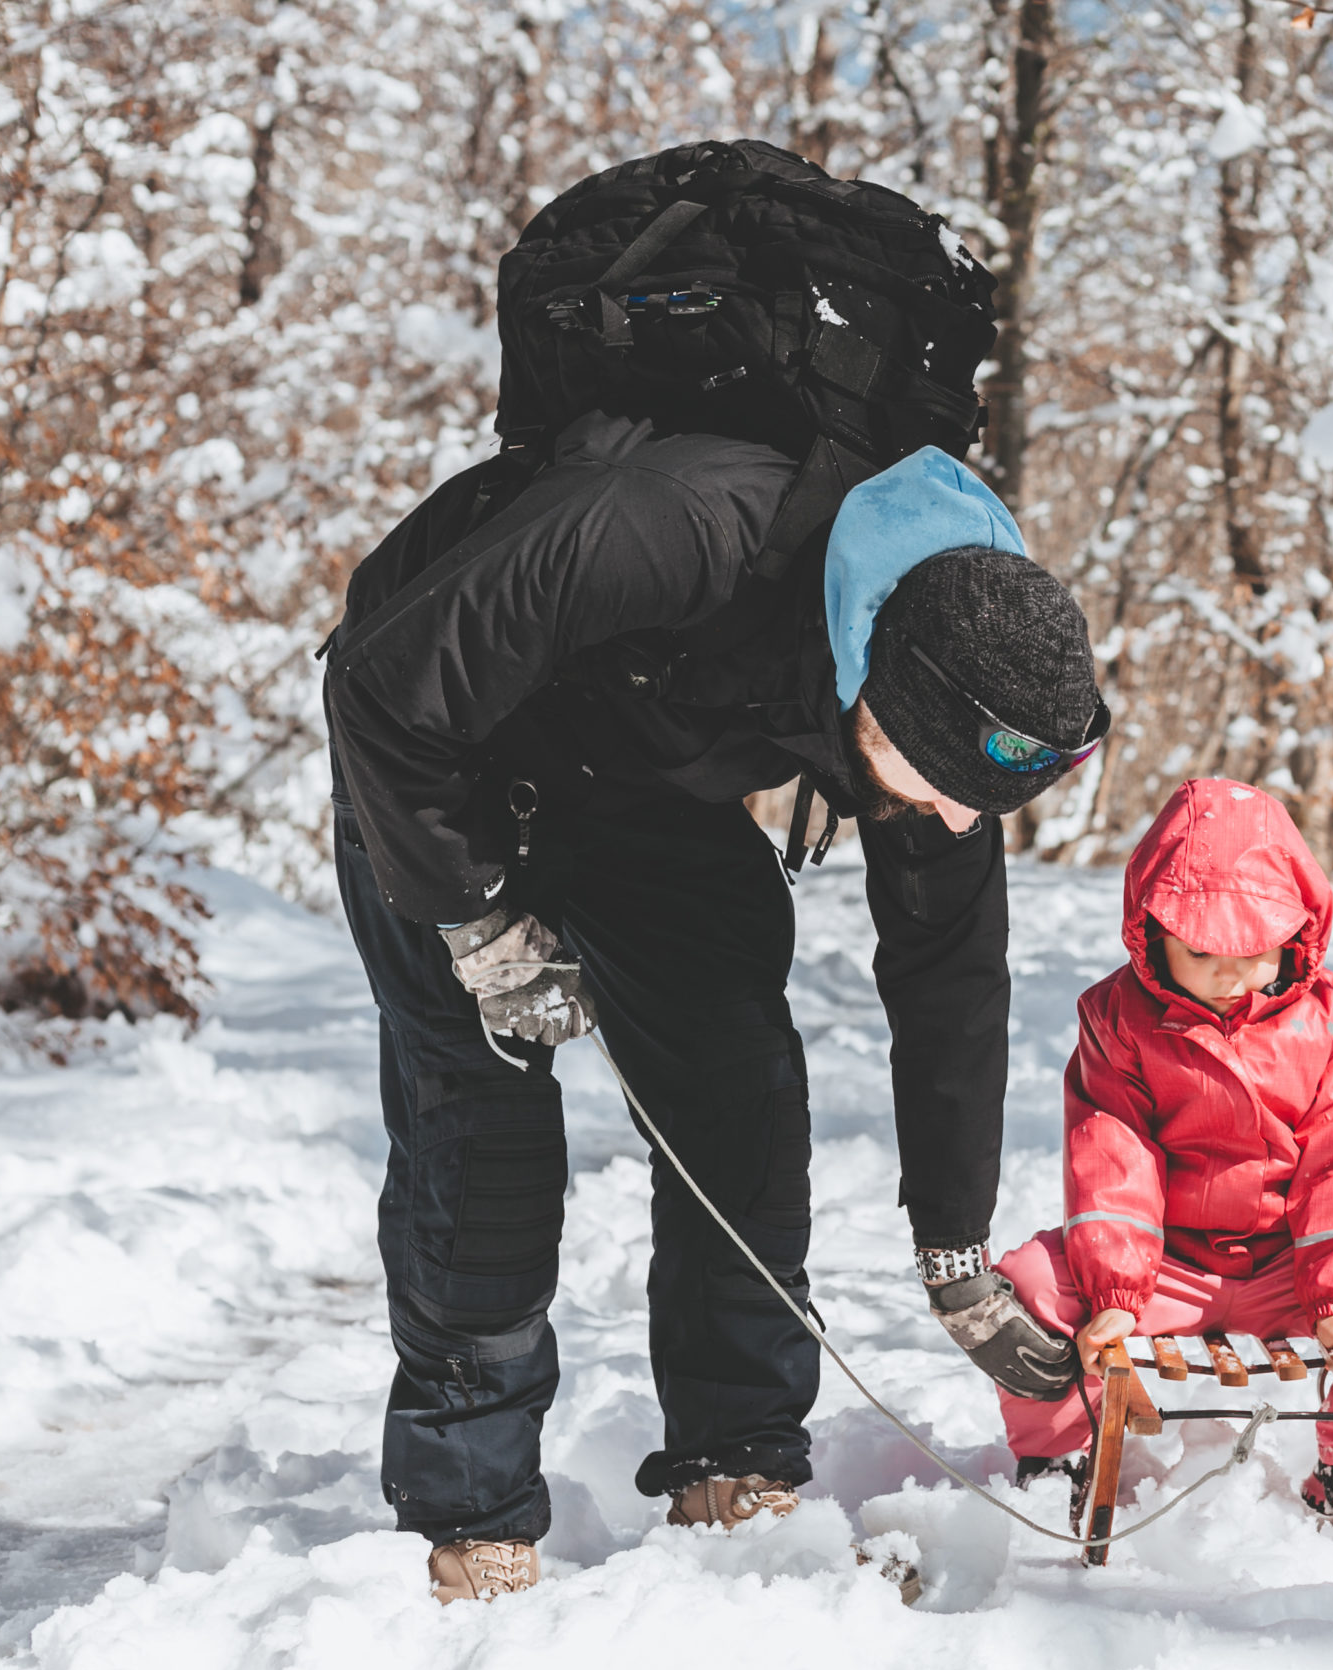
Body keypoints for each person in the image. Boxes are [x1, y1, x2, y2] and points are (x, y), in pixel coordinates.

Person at [324, 418, 1095, 1603]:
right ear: (876, 702)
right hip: (437, 767)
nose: (952, 823)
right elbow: (378, 682)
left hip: (654, 774)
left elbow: (951, 981)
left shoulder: (967, 679)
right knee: (482, 1135)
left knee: (739, 1096)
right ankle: (469, 1515)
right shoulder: (674, 532)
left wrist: (956, 1255)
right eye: (938, 793)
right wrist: (473, 922)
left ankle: (736, 1470)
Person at [987, 779, 1333, 1521]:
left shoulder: (1329, 1020)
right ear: (1152, 931)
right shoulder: (1119, 1018)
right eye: (1204, 951)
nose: (1231, 972)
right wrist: (1117, 1293)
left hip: (1292, 1262)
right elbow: (1113, 1155)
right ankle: (1063, 1454)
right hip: (1166, 1264)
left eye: (1254, 950)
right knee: (1028, 1284)